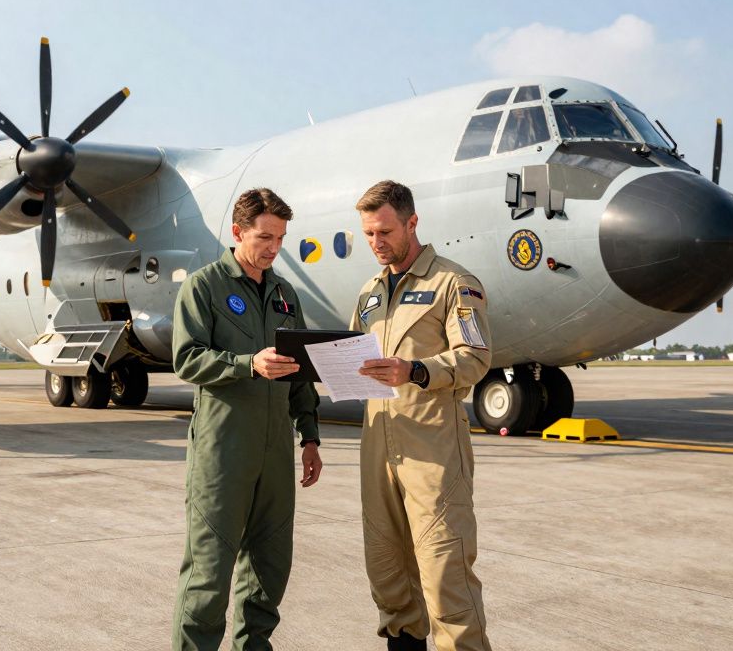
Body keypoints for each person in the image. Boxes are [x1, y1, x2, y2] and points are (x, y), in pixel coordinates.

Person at [171, 187, 323, 650]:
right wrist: (246, 364)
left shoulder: (284, 293)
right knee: (207, 581)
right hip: (223, 456)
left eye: (280, 238)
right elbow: (187, 358)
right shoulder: (204, 286)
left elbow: (300, 375)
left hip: (274, 457)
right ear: (238, 232)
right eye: (264, 237)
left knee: (268, 574)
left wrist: (310, 438)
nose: (273, 248)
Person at [349, 180, 493, 651]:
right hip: (378, 452)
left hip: (432, 454)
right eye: (369, 234)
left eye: (385, 231)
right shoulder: (369, 293)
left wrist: (415, 370)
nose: (377, 243)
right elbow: (352, 355)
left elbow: (474, 357)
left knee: (445, 577)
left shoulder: (454, 283)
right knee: (388, 576)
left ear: (412, 223)